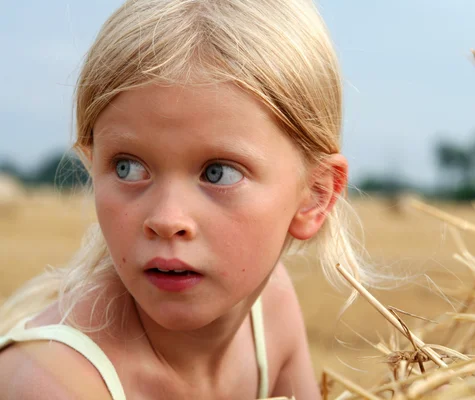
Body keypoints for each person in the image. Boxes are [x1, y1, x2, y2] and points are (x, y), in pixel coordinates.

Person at [0, 0, 370, 398]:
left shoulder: (270, 310)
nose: (166, 218)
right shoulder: (51, 384)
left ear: (316, 195)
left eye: (219, 173)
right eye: (127, 167)